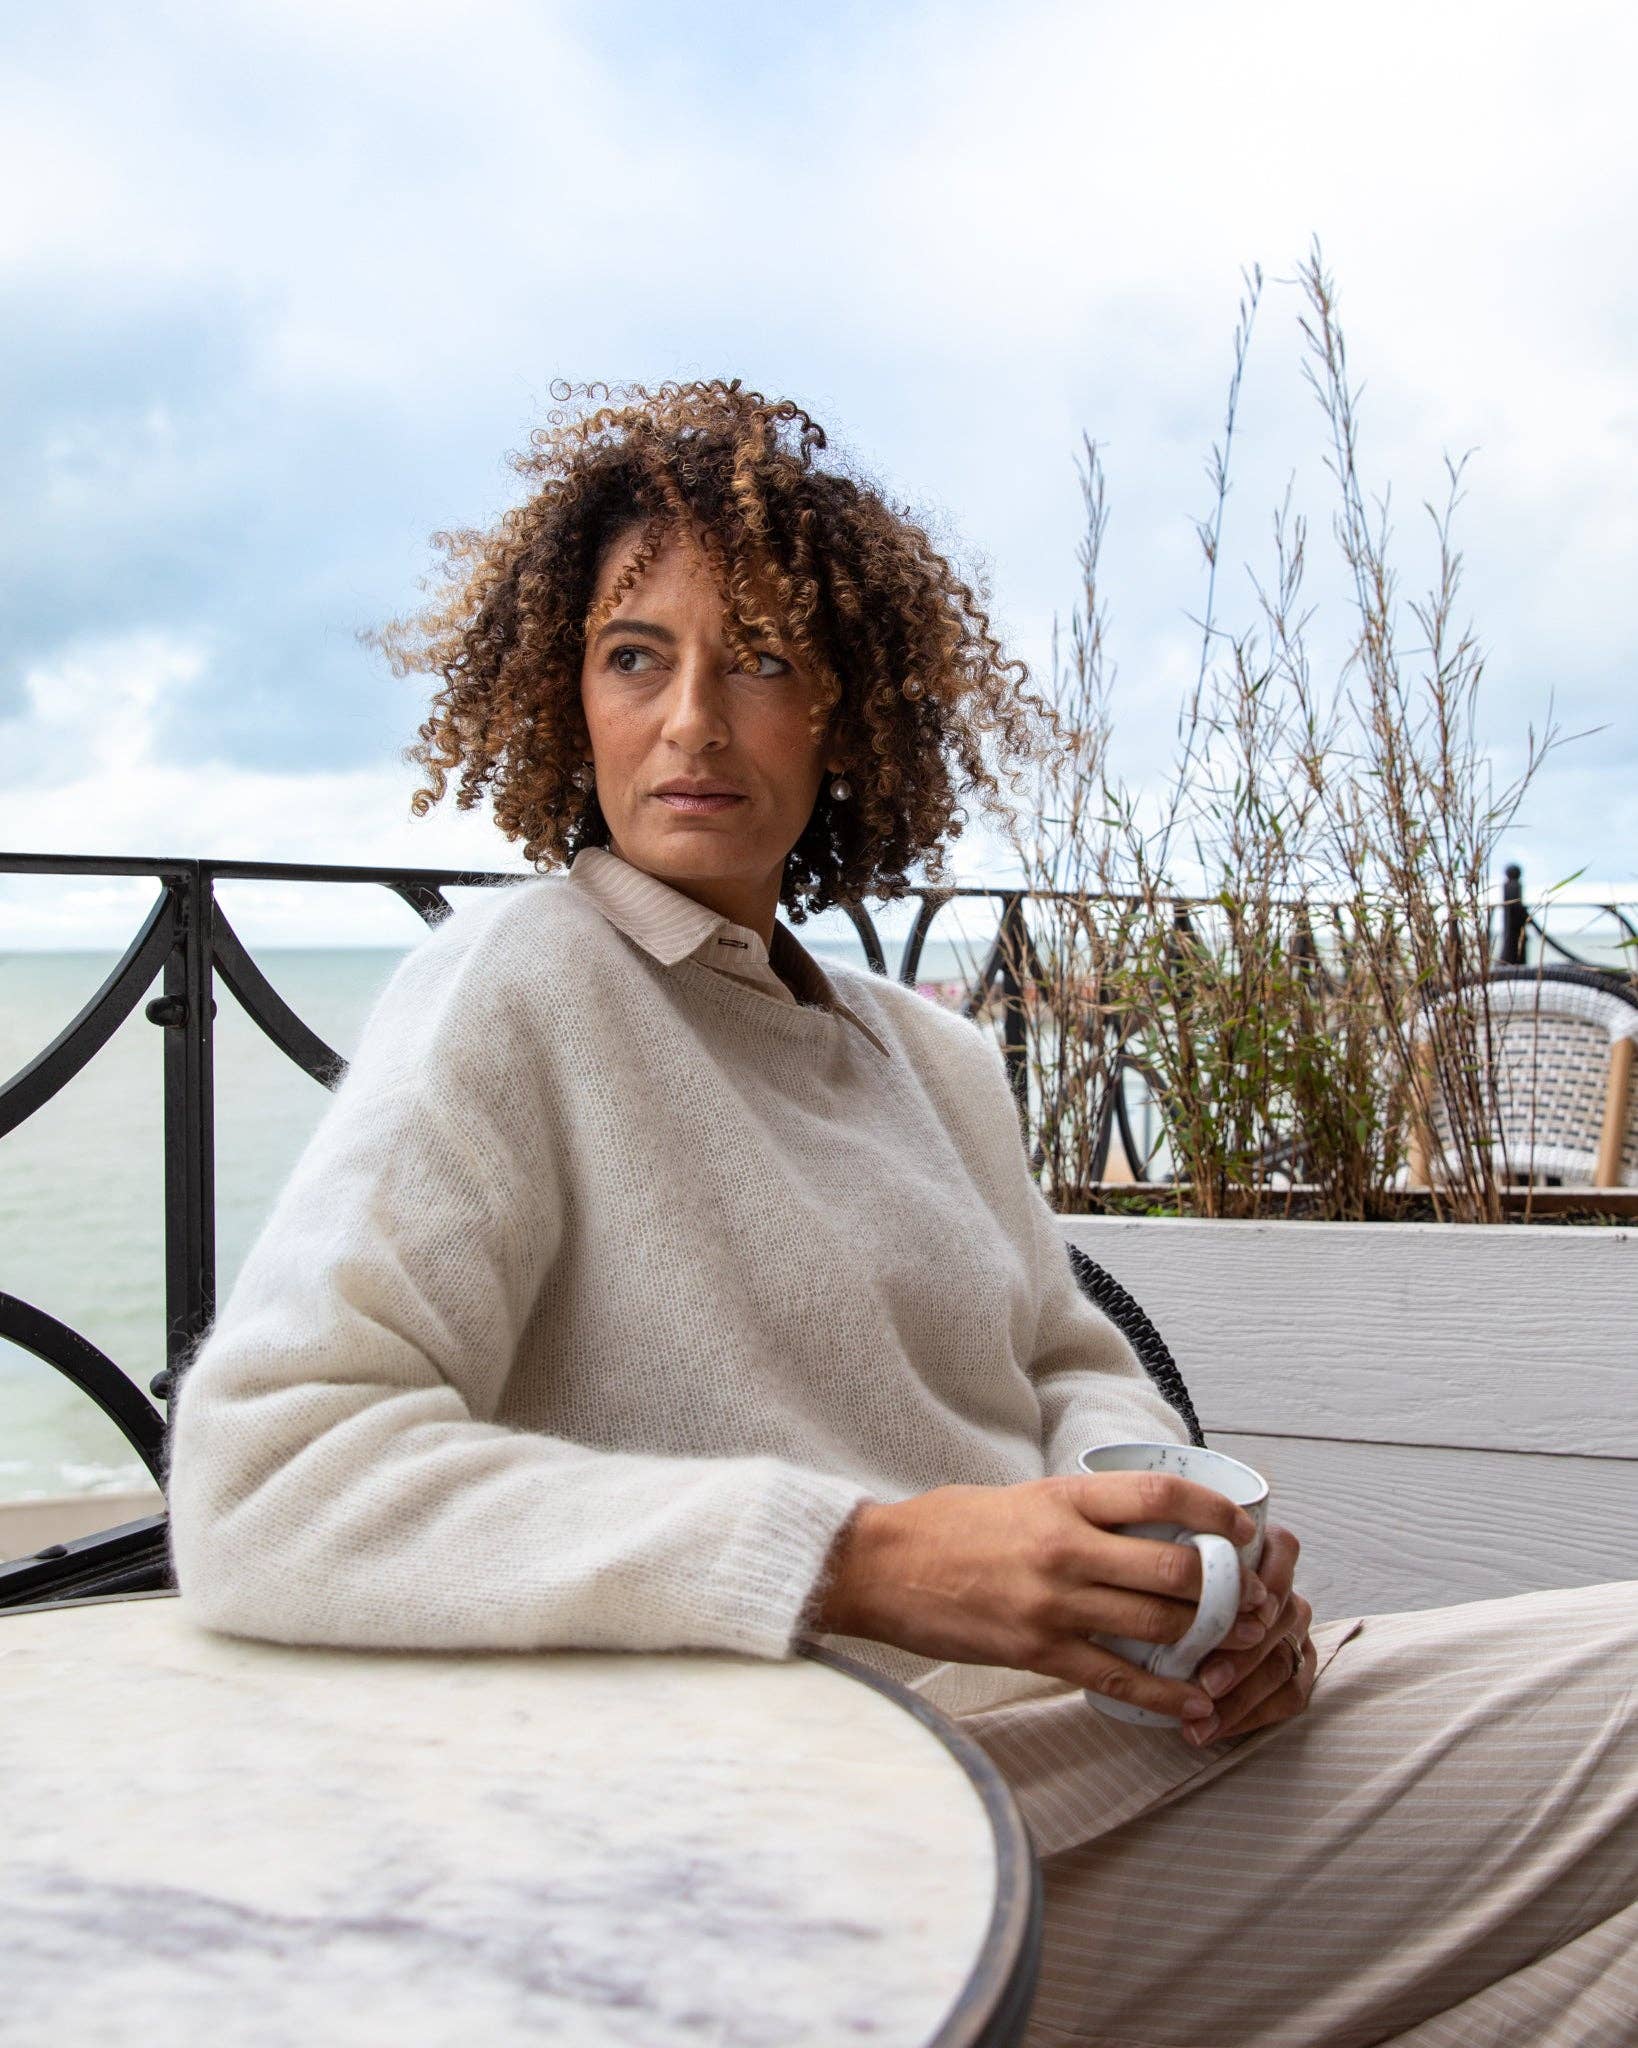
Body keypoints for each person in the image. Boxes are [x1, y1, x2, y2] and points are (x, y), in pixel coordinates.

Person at [166, 379, 1635, 2046]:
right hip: (824, 1826)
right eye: (634, 656)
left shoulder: (926, 1055)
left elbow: (1066, 1363)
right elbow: (266, 1477)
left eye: (761, 659)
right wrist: (853, 1557)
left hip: (1111, 1741)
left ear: (847, 711)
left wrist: (1180, 1566)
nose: (691, 721)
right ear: (567, 699)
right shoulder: (519, 983)